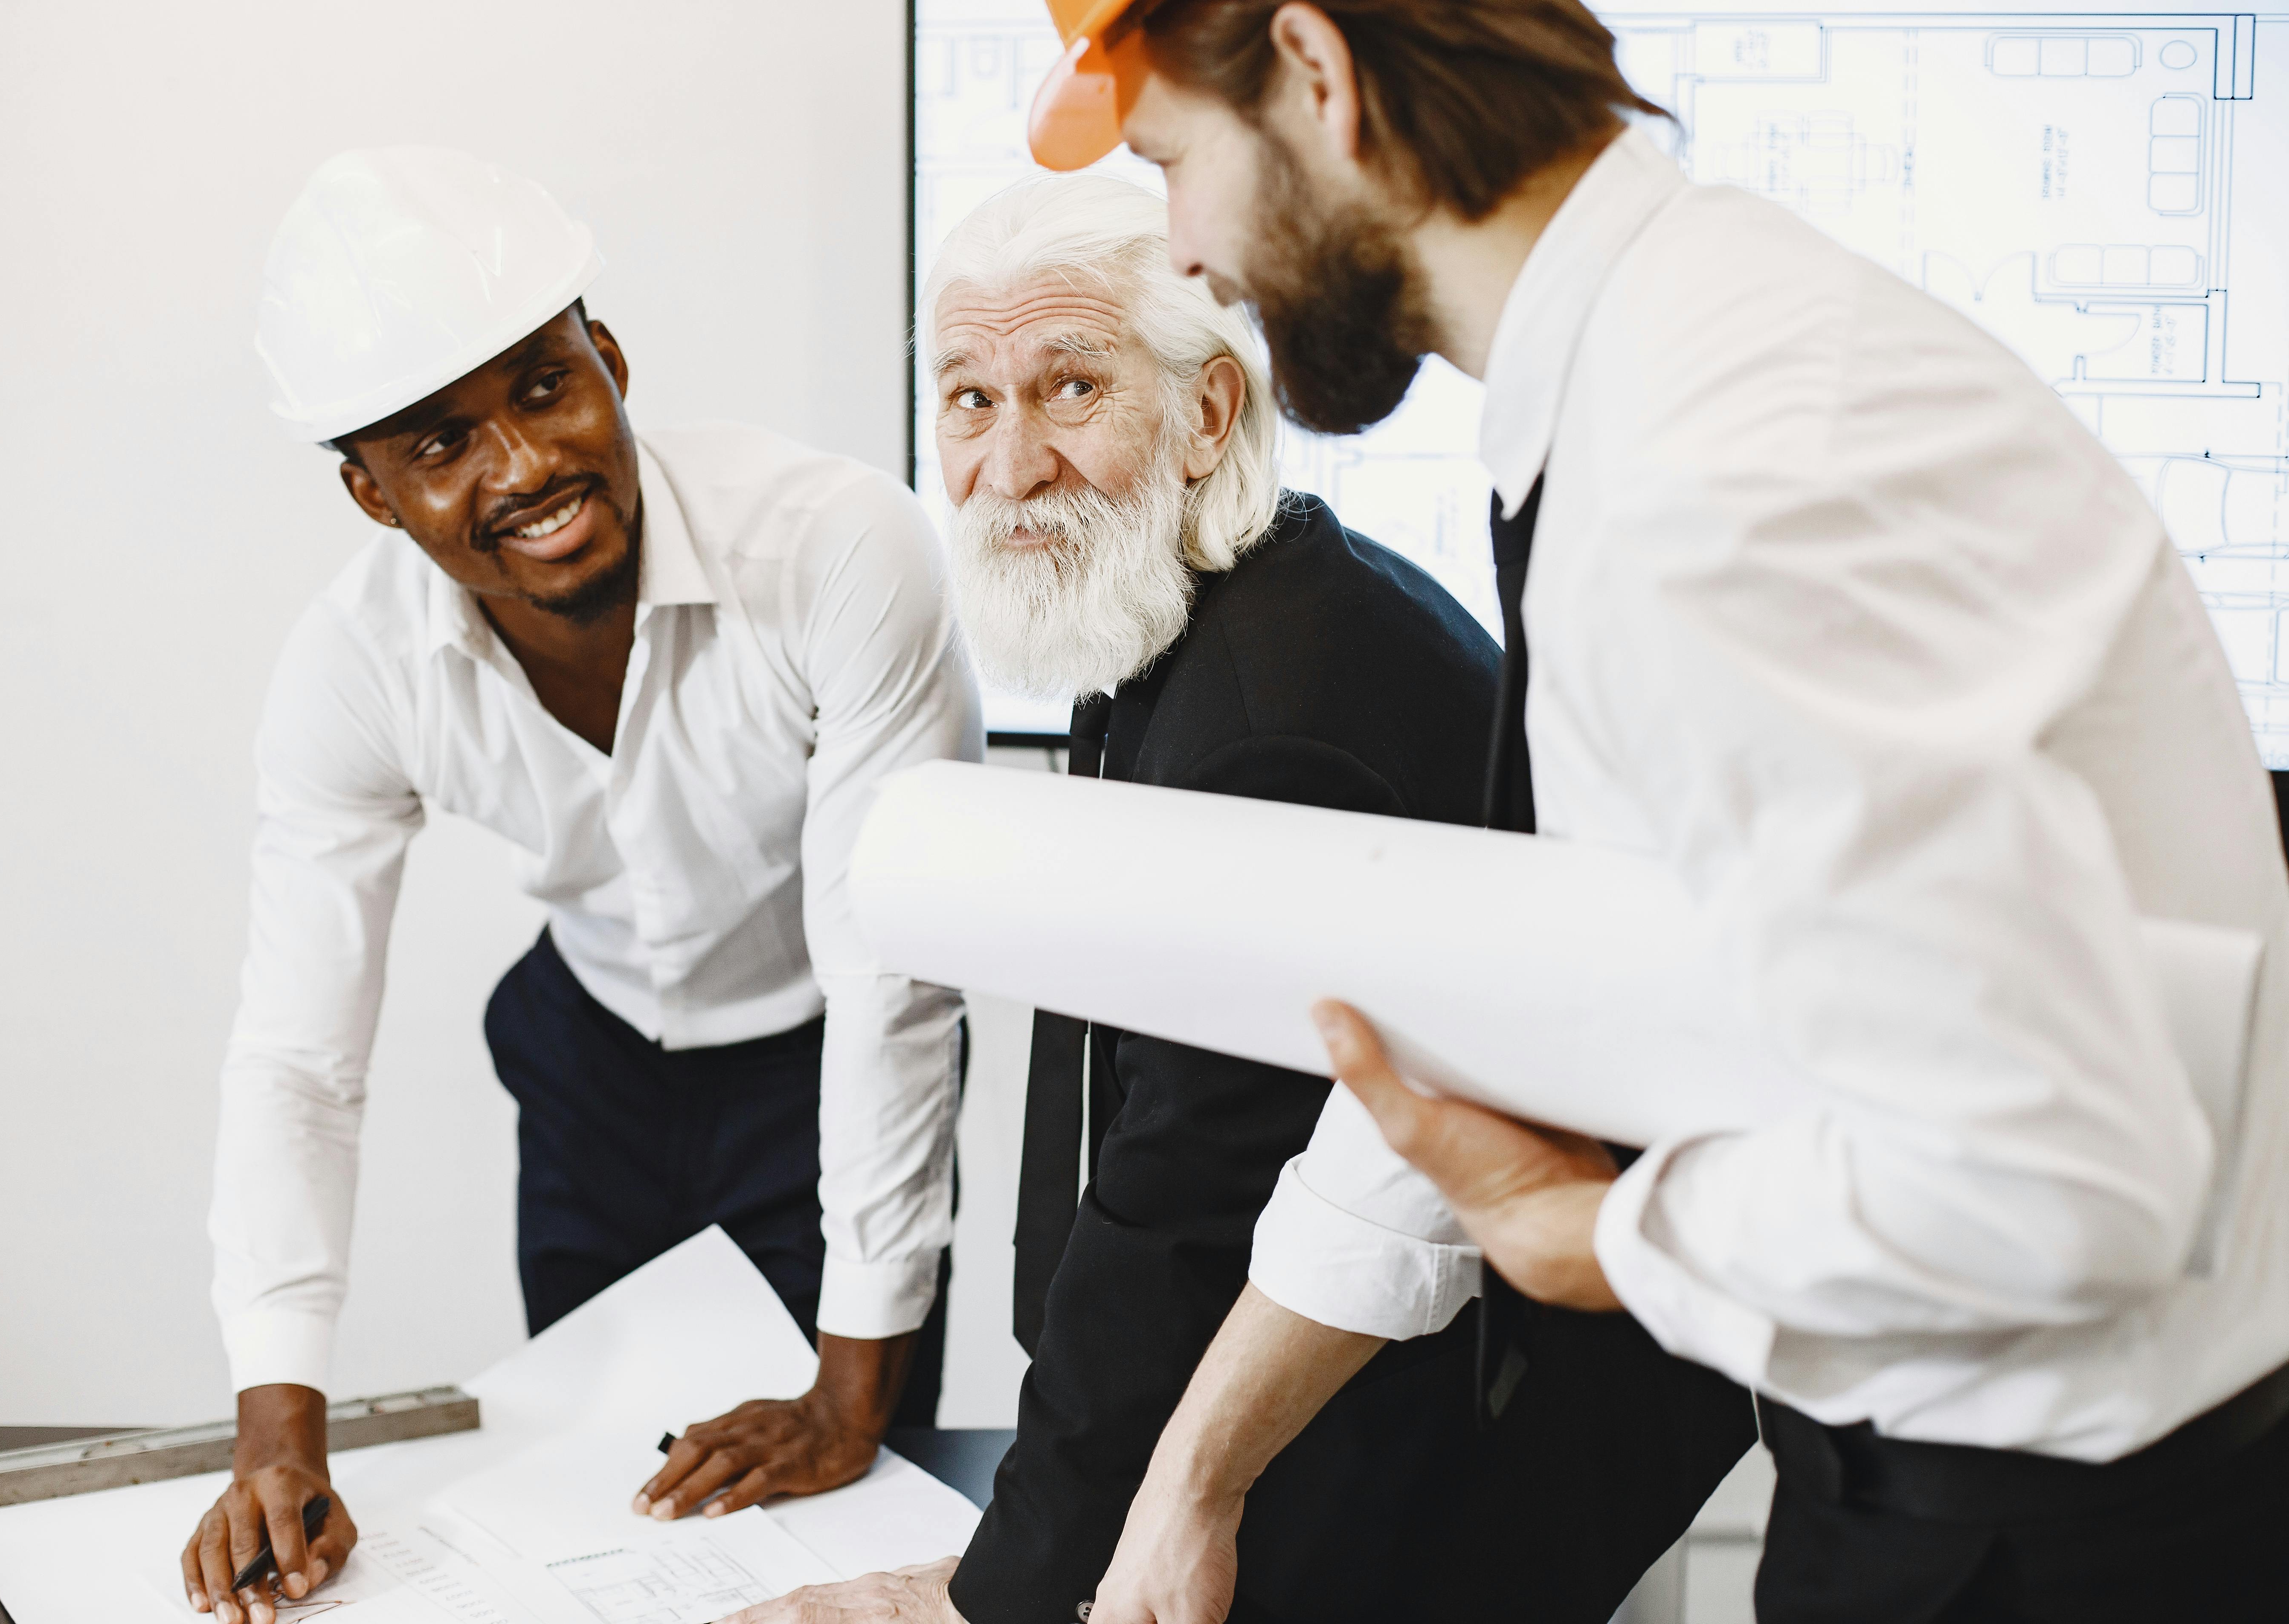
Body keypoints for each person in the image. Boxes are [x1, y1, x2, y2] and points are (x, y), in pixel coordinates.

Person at [1014, 0, 2289, 1622]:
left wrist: (1613, 1240)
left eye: (1173, 161)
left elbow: (2058, 1179)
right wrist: (1195, 1480)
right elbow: (1526, 968)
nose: (1183, 253)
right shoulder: (1658, 361)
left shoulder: (1719, 463)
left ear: (1318, 75)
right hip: (1994, 1481)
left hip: (2045, 1535)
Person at [725, 174, 1750, 1624]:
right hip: (1342, 1386)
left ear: (1209, 414)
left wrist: (998, 1592)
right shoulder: (1183, 607)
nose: (1009, 466)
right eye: (966, 401)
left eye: (1070, 387)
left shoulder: (1276, 718)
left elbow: (1187, 1211)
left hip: (1433, 1447)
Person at [179, 148, 981, 1624]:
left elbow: (892, 969)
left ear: (605, 360)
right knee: (624, 1523)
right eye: (440, 447)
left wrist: (851, 1394)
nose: (526, 466)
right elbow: (298, 1058)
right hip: (589, 1062)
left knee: (849, 1524)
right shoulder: (349, 673)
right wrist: (277, 1430)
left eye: (543, 389)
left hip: (821, 1050)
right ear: (373, 496)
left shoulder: (841, 548)